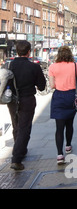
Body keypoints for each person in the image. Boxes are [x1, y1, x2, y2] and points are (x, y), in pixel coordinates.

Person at [7, 40, 46, 170]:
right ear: (29, 52)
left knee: (16, 126)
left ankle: (21, 150)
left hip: (12, 101)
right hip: (27, 100)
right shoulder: (34, 67)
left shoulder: (10, 65)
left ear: (17, 51)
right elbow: (41, 87)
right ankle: (16, 159)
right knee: (24, 128)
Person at [48, 46, 77, 164]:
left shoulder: (52, 67)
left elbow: (52, 86)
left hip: (58, 97)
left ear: (58, 54)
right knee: (69, 124)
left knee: (59, 128)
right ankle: (68, 146)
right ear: (70, 54)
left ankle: (59, 155)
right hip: (71, 97)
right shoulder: (75, 66)